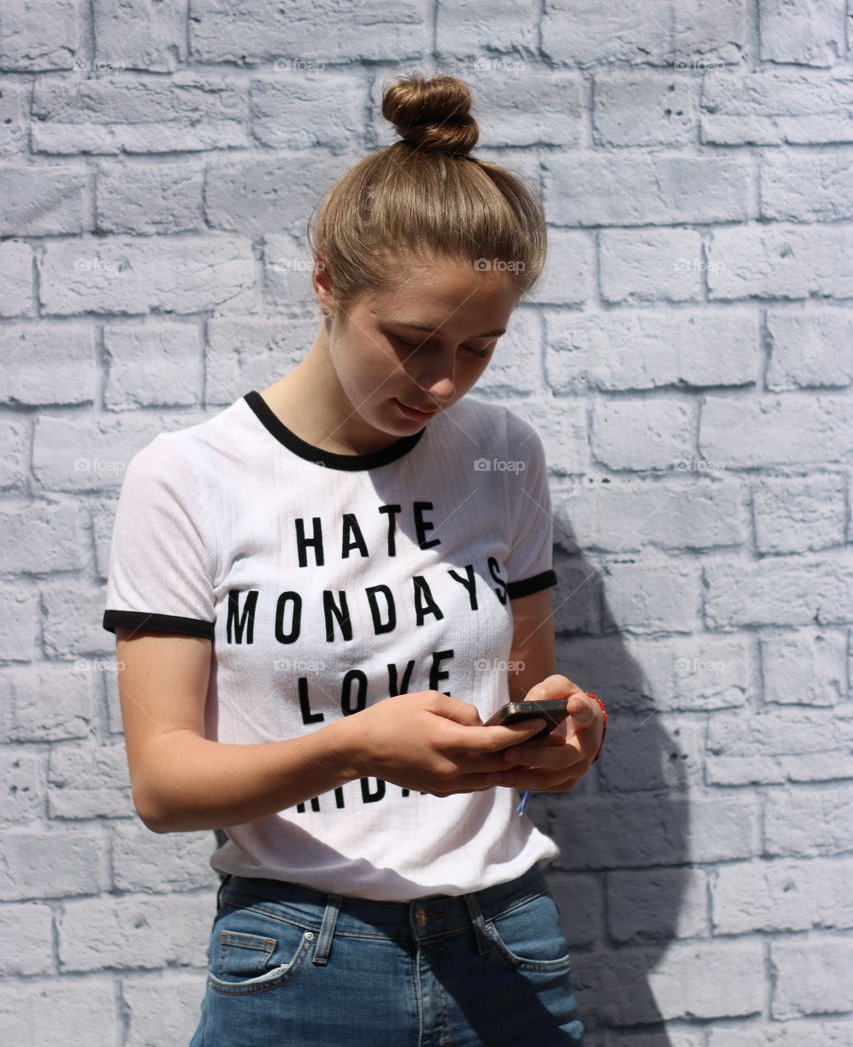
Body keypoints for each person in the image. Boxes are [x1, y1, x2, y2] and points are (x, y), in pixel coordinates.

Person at [103, 72, 606, 1046]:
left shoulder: (502, 453)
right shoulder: (188, 475)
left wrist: (561, 733)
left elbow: (526, 687)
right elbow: (163, 785)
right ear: (327, 281)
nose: (443, 382)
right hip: (299, 958)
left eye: (479, 347)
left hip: (506, 942)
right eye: (413, 341)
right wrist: (353, 745)